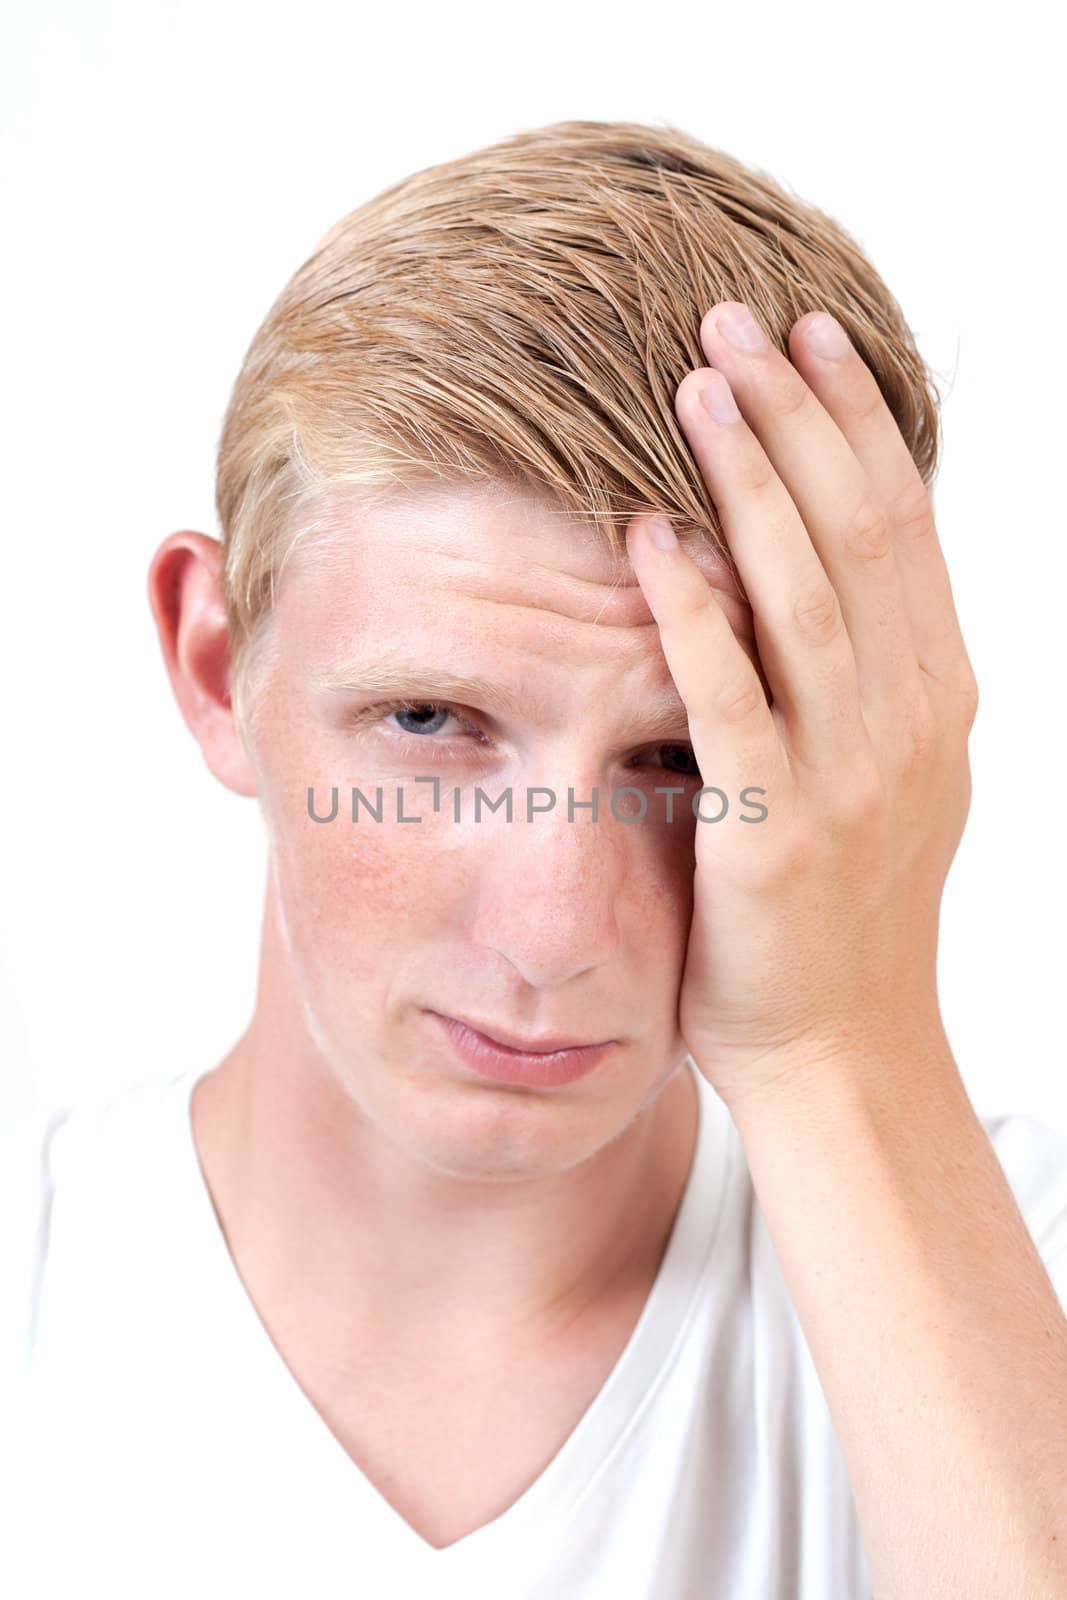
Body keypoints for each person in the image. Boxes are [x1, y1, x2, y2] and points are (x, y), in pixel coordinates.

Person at [2, 118, 1066, 1598]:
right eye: (430, 721)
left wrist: (839, 1044)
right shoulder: (31, 1282)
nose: (555, 929)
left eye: (692, 759)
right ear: (212, 663)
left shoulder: (1022, 1283)